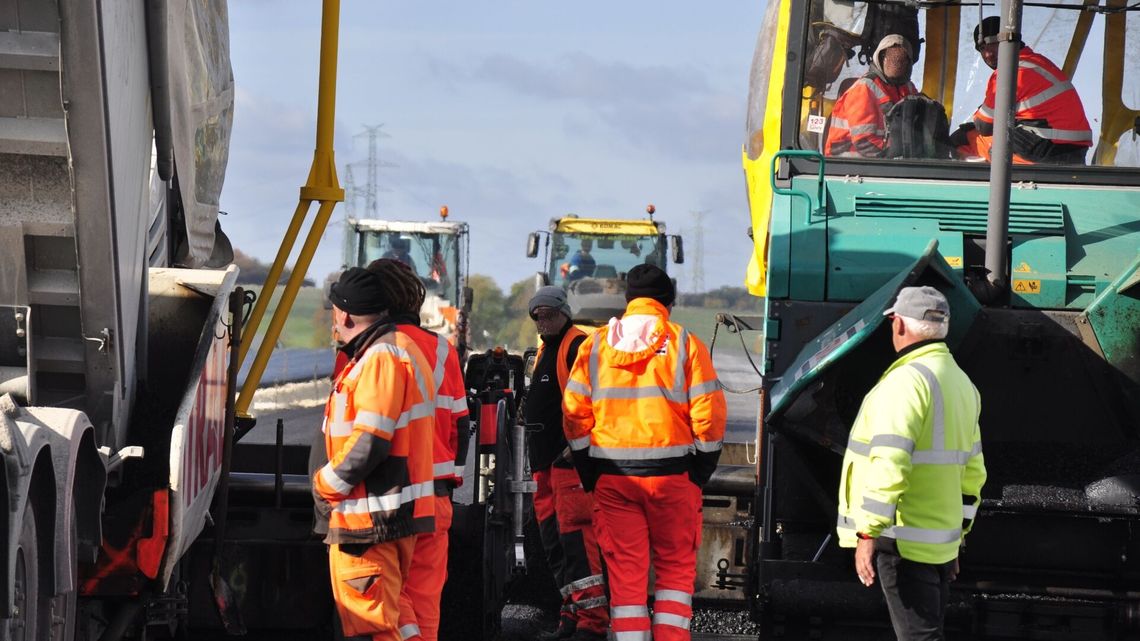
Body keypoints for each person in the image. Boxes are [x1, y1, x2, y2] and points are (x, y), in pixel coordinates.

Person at [563, 264, 727, 641]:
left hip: (613, 480)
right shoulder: (685, 343)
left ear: (628, 300)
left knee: (626, 580)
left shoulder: (595, 345)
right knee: (674, 574)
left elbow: (574, 415)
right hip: (673, 480)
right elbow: (710, 415)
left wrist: (590, 471)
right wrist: (700, 469)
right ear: (668, 300)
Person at [837, 286, 987, 641]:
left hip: (902, 540)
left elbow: (890, 462)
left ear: (899, 325)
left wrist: (867, 532)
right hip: (938, 543)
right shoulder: (962, 384)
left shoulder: (905, 383)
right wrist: (957, 539)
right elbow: (973, 473)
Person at [313, 267, 436, 640]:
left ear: (344, 315)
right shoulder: (389, 350)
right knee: (394, 620)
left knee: (372, 627)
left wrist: (324, 485)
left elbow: (370, 441)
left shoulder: (380, 357)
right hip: (382, 515)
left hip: (368, 522)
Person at [364, 259, 470, 641]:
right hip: (436, 497)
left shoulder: (366, 349)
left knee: (386, 600)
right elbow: (461, 426)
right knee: (425, 604)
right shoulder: (443, 350)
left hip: (386, 498)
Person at [525, 286, 609, 641]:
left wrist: (578, 449)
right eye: (536, 315)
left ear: (563, 311)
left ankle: (592, 623)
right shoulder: (548, 348)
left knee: (577, 542)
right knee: (555, 544)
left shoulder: (576, 346)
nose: (542, 320)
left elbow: (599, 400)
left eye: (547, 313)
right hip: (544, 467)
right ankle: (572, 614)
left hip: (567, 465)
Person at [950, 16, 1091, 164]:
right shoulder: (1037, 62)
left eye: (993, 44)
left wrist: (978, 117)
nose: (988, 54)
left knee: (963, 138)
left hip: (1047, 148)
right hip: (1073, 151)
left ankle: (978, 184)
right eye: (982, 48)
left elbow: (984, 126)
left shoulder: (1009, 71)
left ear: (1009, 41)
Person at [825, 34, 917, 158]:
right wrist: (897, 153)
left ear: (909, 62)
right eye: (892, 58)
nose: (896, 63)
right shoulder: (863, 89)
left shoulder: (908, 87)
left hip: (881, 158)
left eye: (902, 60)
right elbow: (864, 143)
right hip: (846, 160)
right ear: (881, 58)